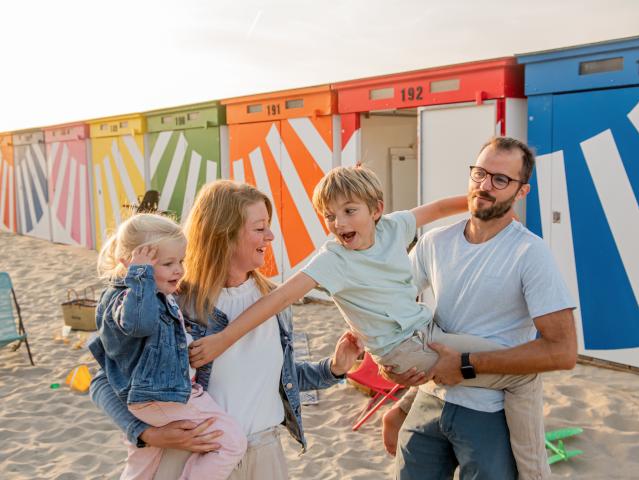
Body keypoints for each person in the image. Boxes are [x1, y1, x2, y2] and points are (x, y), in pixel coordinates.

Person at [188, 165, 551, 478]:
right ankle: (535, 475)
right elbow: (277, 299)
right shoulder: (332, 260)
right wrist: (223, 340)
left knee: (511, 356)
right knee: (523, 371)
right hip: (401, 350)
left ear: (376, 210)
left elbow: (440, 207)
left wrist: (492, 210)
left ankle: (398, 412)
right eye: (329, 216)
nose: (338, 223)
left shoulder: (393, 228)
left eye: (348, 211)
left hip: (427, 333)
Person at [90, 181, 362, 480]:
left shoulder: (275, 302)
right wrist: (145, 433)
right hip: (194, 458)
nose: (270, 236)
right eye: (260, 228)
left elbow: (276, 378)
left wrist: (333, 369)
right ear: (224, 235)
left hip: (265, 454)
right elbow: (104, 380)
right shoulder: (172, 300)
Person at [382, 136, 578, 480]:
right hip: (429, 398)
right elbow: (389, 308)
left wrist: (466, 365)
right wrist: (391, 369)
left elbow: (562, 351)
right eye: (479, 173)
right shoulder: (435, 242)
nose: (485, 186)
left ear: (521, 192)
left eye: (500, 179)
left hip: (489, 410)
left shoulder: (530, 254)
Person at [89, 213, 247, 479]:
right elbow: (140, 324)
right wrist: (140, 277)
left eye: (181, 261)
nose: (179, 270)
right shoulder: (130, 298)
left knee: (143, 461)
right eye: (167, 263)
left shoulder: (157, 294)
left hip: (148, 398)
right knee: (232, 442)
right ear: (130, 266)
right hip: (162, 397)